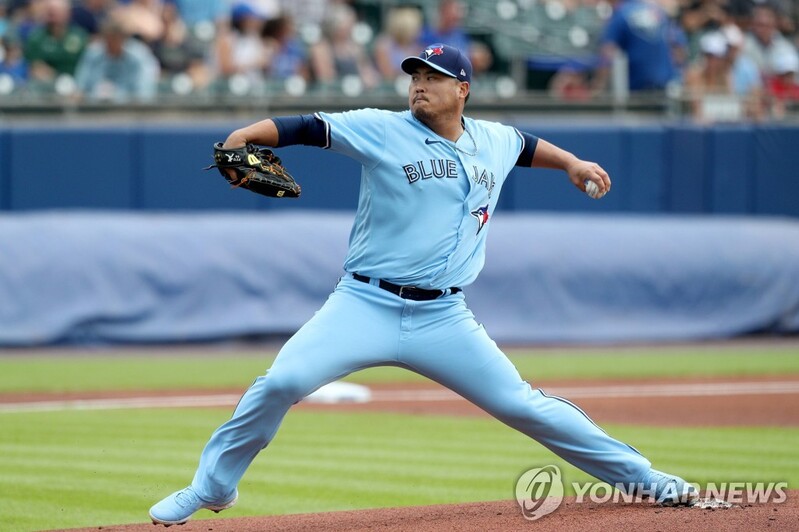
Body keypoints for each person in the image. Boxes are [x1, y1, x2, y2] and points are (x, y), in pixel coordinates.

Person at [148, 43, 698, 527]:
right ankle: (212, 486)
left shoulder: (494, 139)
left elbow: (527, 146)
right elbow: (307, 127)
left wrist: (573, 163)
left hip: (444, 318)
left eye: (433, 77)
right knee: (282, 382)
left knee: (524, 405)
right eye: (415, 76)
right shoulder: (382, 129)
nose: (419, 85)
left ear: (462, 90)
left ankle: (643, 477)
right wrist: (245, 135)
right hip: (364, 303)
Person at [73, 16, 160, 102]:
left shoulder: (139, 56)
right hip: (93, 106)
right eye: (107, 40)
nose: (110, 44)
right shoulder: (93, 53)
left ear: (123, 39)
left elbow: (144, 93)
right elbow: (80, 85)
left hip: (128, 107)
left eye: (114, 39)